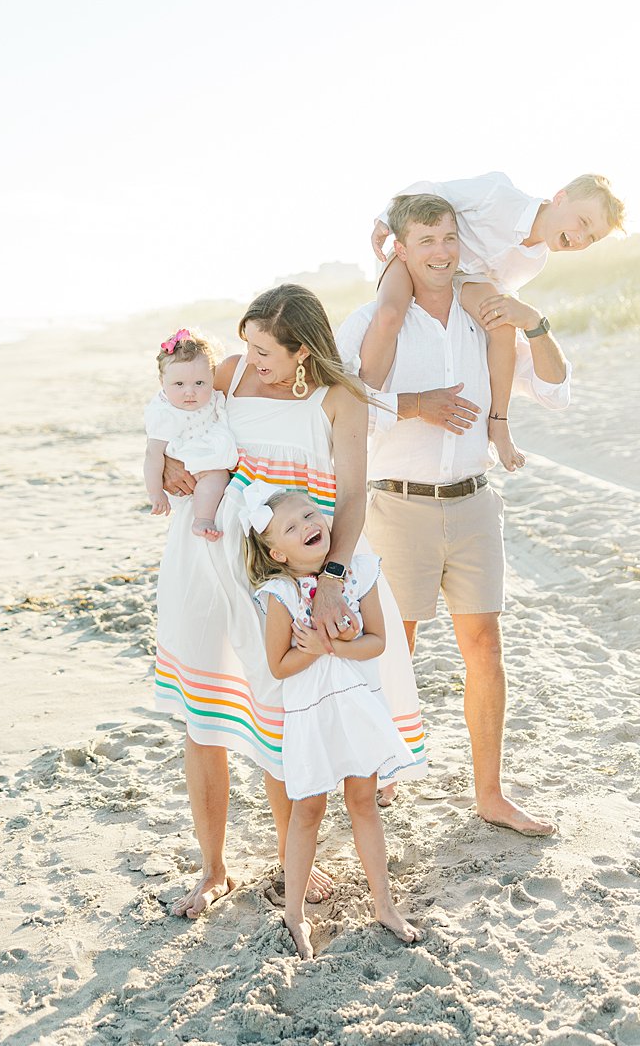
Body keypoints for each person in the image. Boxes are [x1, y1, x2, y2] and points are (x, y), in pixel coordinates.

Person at [156, 285, 427, 918]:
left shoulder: (341, 398)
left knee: (280, 709)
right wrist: (168, 460)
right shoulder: (232, 372)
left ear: (303, 351)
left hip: (294, 566)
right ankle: (214, 869)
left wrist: (332, 576)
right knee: (204, 713)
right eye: (246, 345)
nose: (250, 359)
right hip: (208, 555)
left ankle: (289, 855)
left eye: (266, 350)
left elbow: (354, 498)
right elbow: (179, 414)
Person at [337, 194, 571, 833]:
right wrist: (416, 404)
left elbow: (555, 391)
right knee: (396, 647)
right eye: (425, 242)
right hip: (398, 505)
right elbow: (341, 403)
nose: (440, 253)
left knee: (484, 646)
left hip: (473, 503)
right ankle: (383, 770)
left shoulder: (483, 314)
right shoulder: (372, 318)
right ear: (401, 251)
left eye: (448, 239)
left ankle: (491, 794)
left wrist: (535, 323)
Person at [243, 482, 420, 958]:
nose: (309, 525)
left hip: (357, 706)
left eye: (311, 514)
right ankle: (295, 912)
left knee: (363, 801)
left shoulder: (358, 573)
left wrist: (331, 645)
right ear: (277, 552)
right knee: (308, 811)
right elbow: (279, 666)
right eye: (292, 525)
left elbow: (378, 641)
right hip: (311, 715)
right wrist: (313, 649)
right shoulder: (279, 594)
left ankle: (384, 903)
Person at [361, 172, 623, 472]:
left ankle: (498, 423)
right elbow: (433, 190)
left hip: (464, 277)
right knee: (391, 313)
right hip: (426, 253)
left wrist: (516, 318)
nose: (580, 238)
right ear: (561, 198)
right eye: (583, 223)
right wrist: (385, 218)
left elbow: (496, 288)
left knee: (502, 326)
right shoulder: (498, 194)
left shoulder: (535, 260)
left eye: (591, 238)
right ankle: (361, 404)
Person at [144, 328, 238, 540]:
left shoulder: (212, 395)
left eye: (199, 383)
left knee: (219, 476)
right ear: (162, 382)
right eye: (179, 384)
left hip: (208, 448)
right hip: (189, 459)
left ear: (212, 377)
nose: (190, 391)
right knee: (216, 476)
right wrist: (155, 492)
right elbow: (153, 454)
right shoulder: (165, 413)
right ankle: (202, 520)